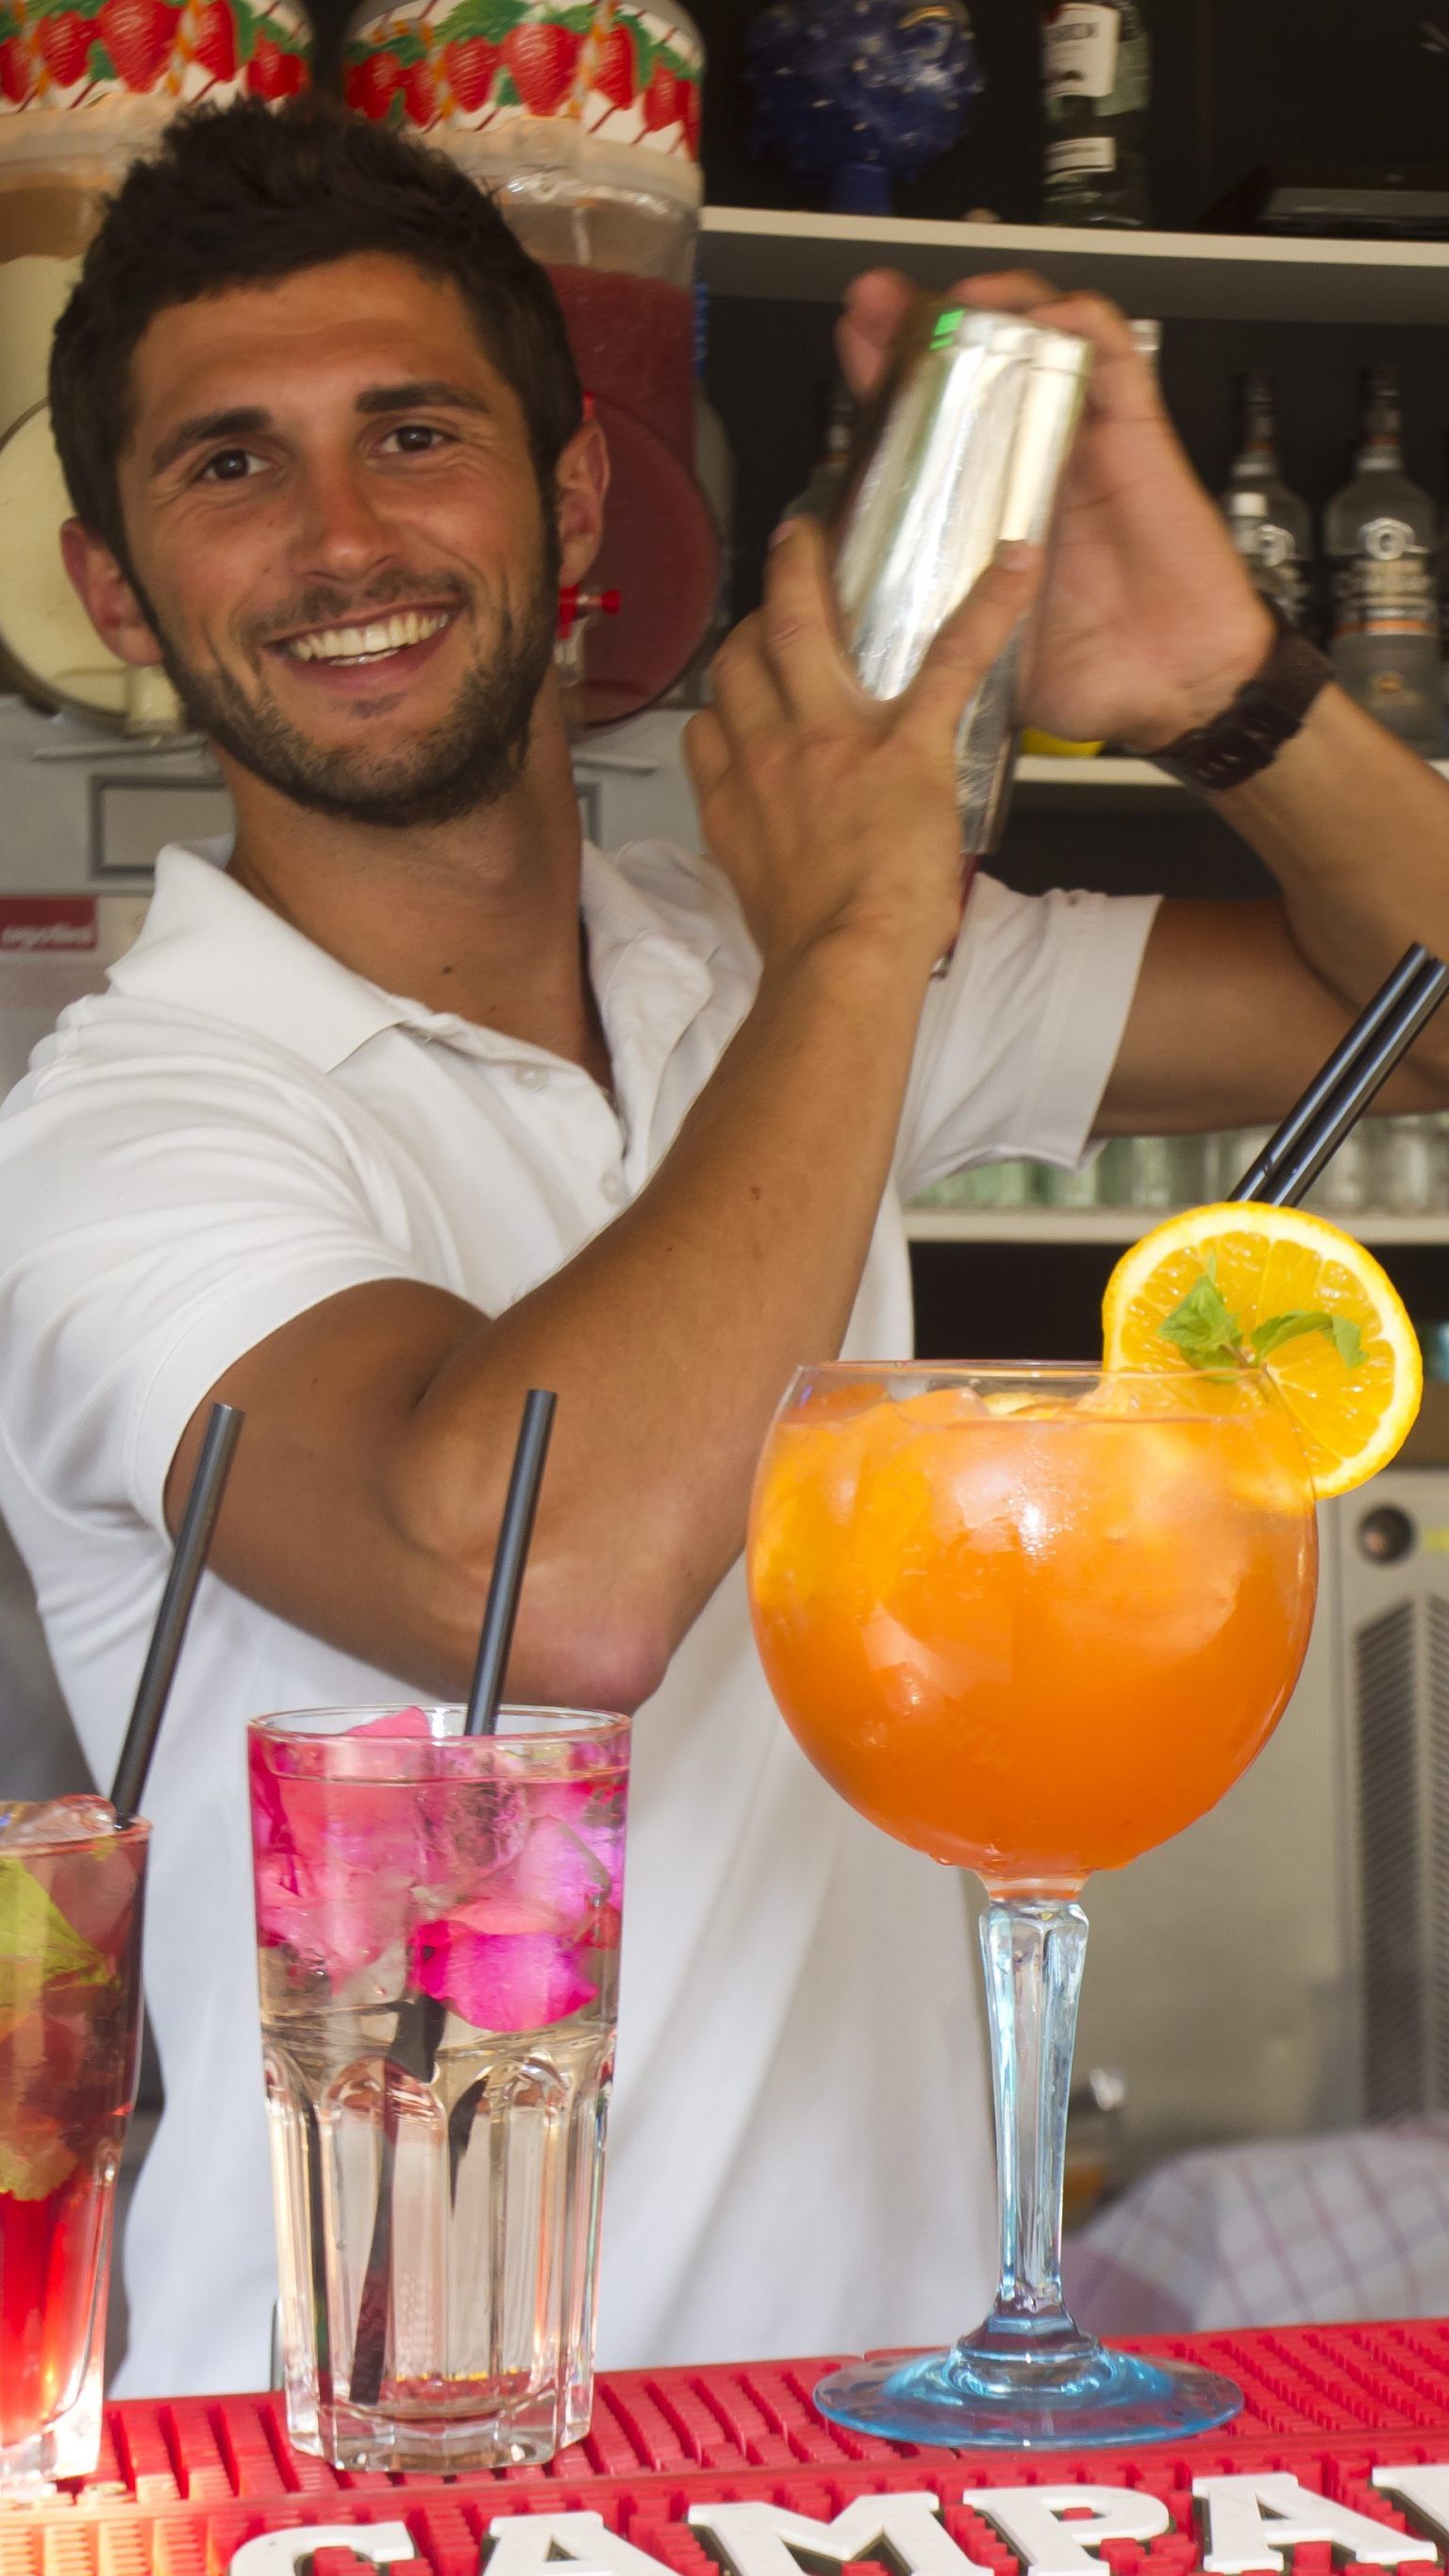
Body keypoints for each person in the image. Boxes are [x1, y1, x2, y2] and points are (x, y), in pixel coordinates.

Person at [4, 94, 1448, 2400]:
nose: (342, 534)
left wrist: (1231, 694)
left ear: (571, 499)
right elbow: (557, 1582)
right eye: (229, 465)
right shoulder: (126, 1127)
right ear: (116, 586)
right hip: (370, 2466)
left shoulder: (761, 969)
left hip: (876, 2431)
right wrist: (869, 924)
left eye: (412, 431)